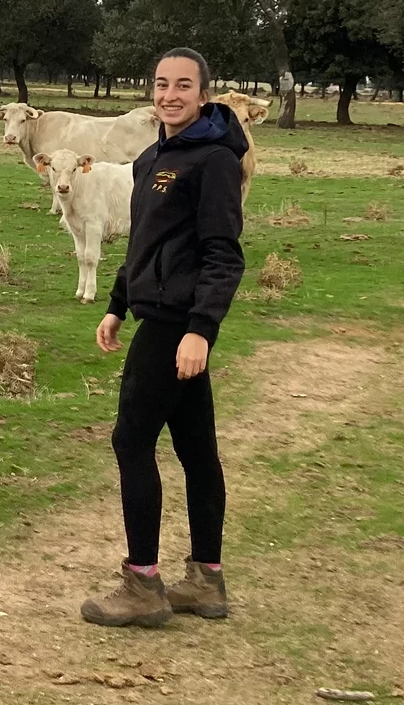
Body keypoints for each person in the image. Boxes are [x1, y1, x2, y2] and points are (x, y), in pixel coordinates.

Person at [82, 47, 246, 628]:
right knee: (197, 451)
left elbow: (223, 255)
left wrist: (201, 330)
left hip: (177, 326)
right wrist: (117, 303)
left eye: (183, 85)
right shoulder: (152, 157)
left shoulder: (215, 161)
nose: (170, 95)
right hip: (155, 315)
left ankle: (143, 585)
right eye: (161, 84)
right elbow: (143, 243)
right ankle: (206, 581)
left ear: (204, 94)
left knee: (131, 442)